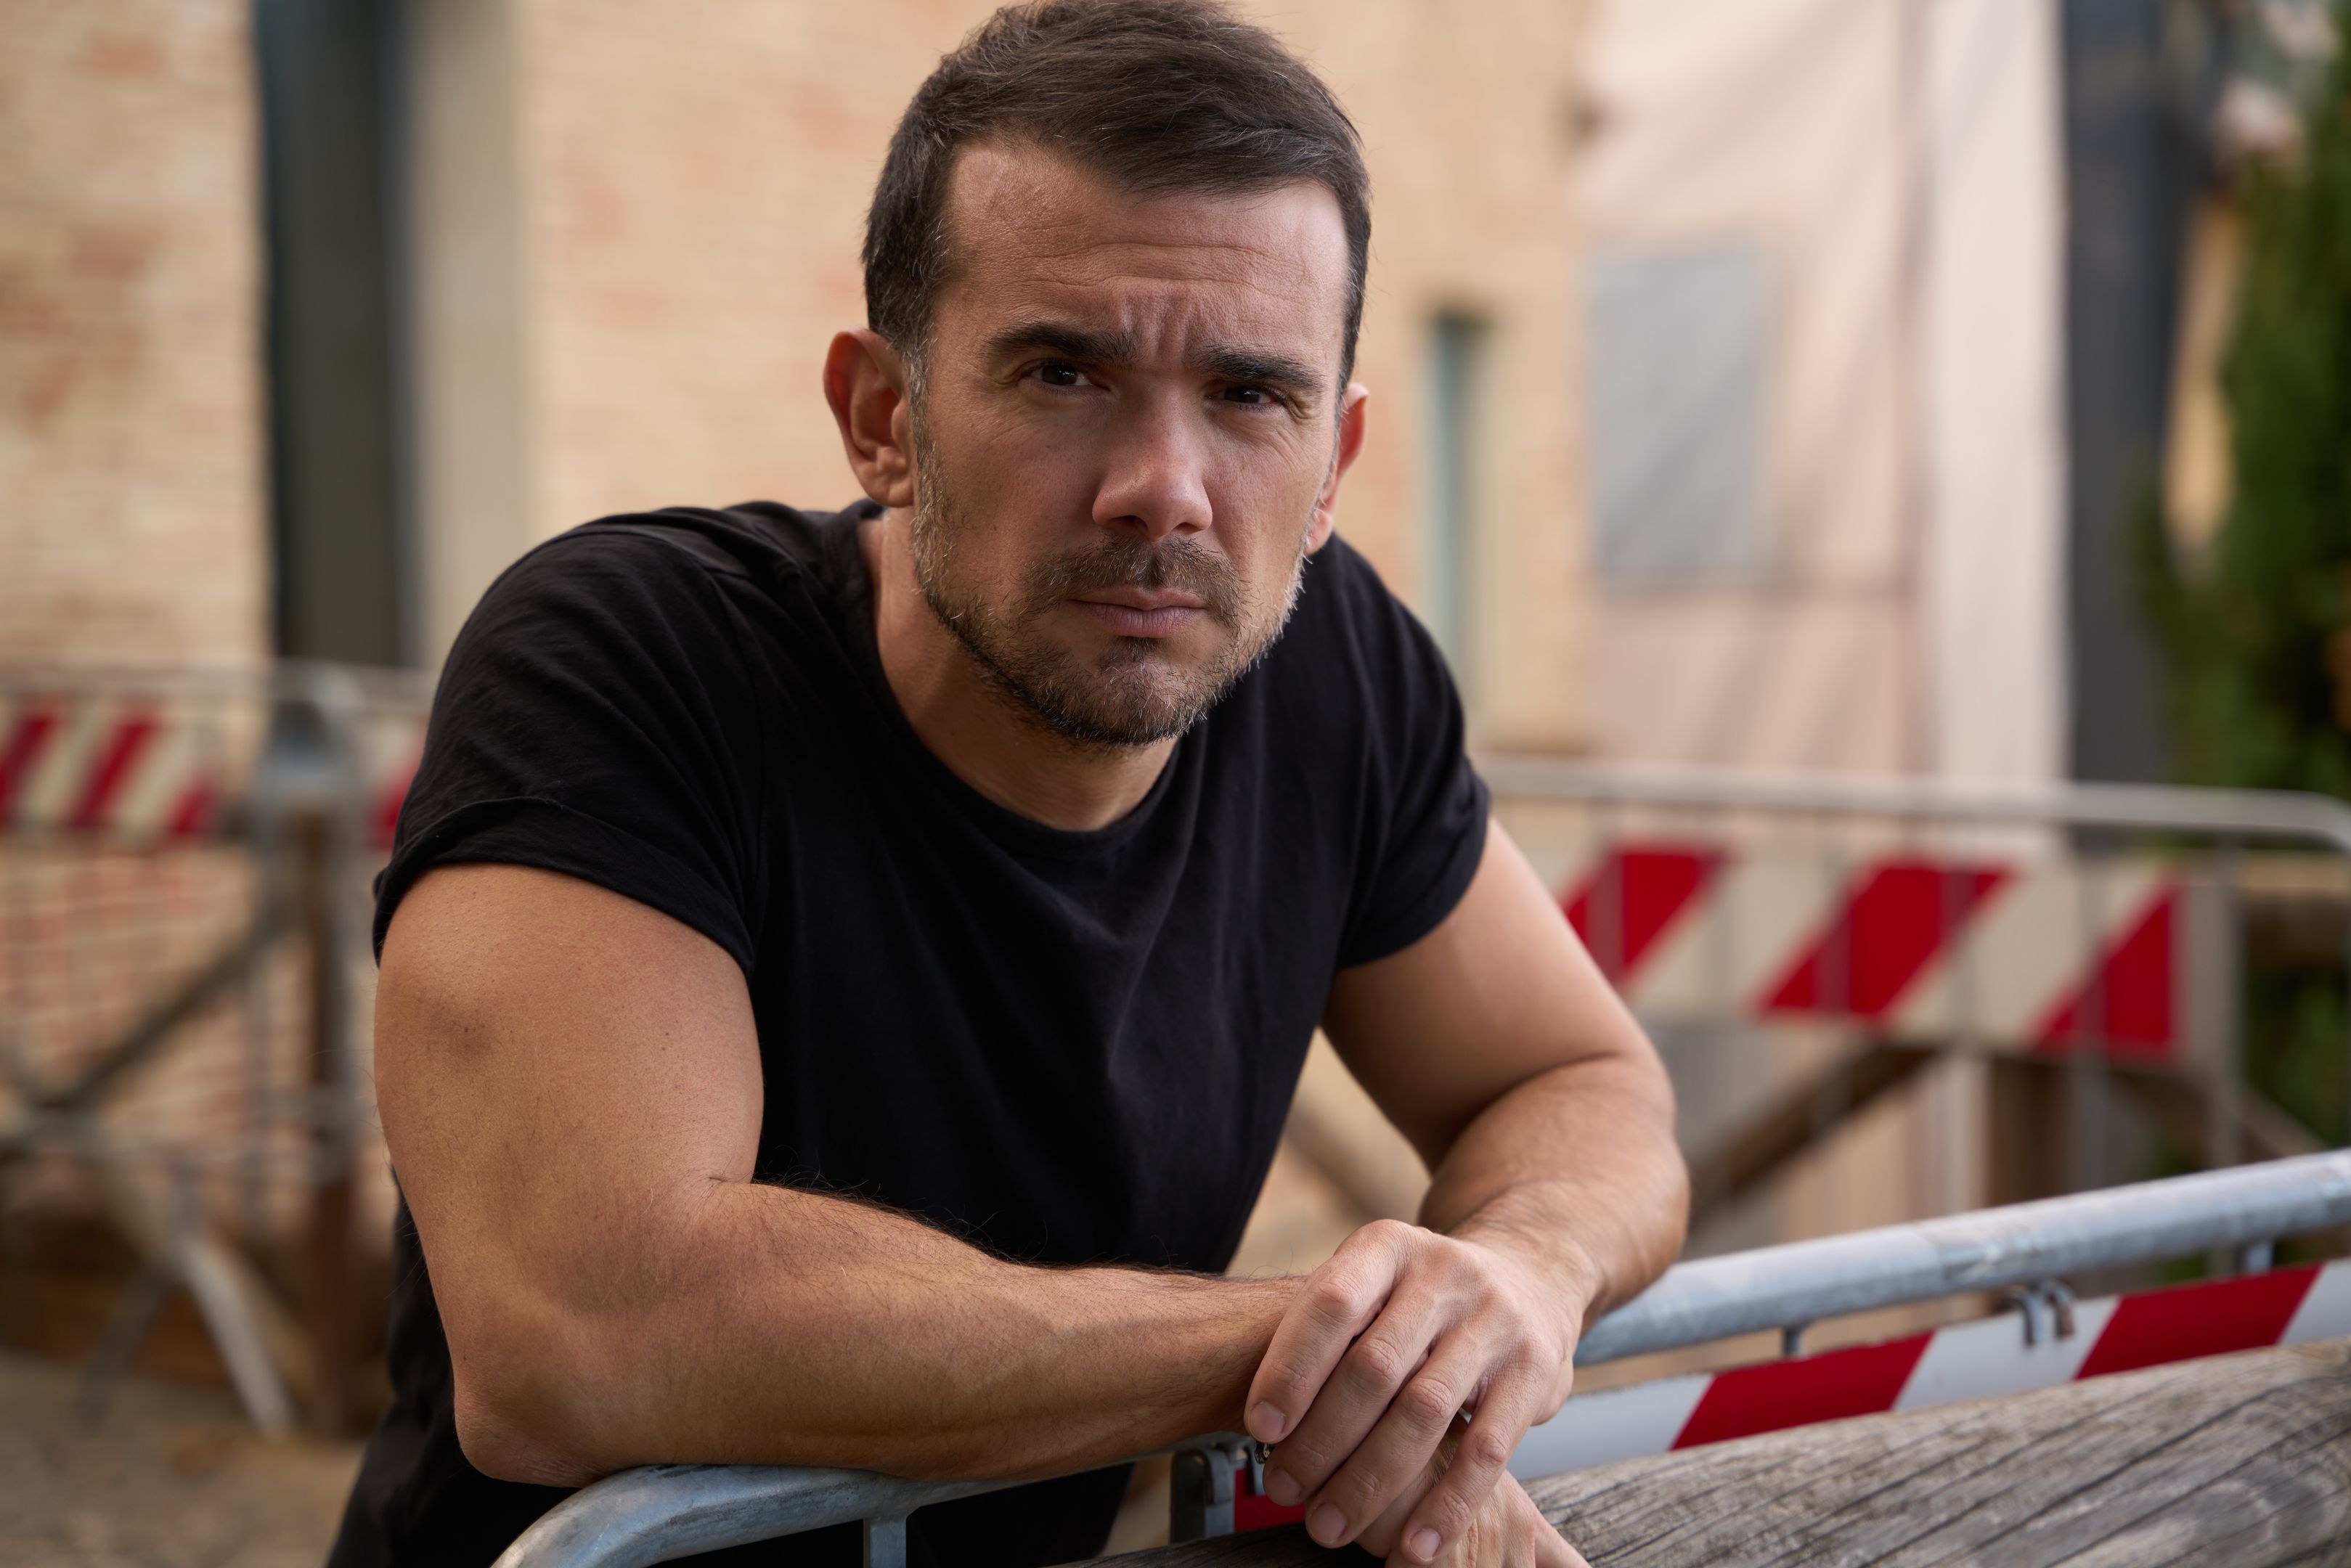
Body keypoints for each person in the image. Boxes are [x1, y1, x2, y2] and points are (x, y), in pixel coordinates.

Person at [326, 2, 1687, 1564]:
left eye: (1250, 395)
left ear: (1333, 466)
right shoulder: (627, 661)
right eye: (1062, 373)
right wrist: (1339, 1358)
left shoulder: (1331, 669)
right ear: (882, 420)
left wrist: (1514, 1279)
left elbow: (1575, 1087)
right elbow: (584, 1328)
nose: (1162, 491)